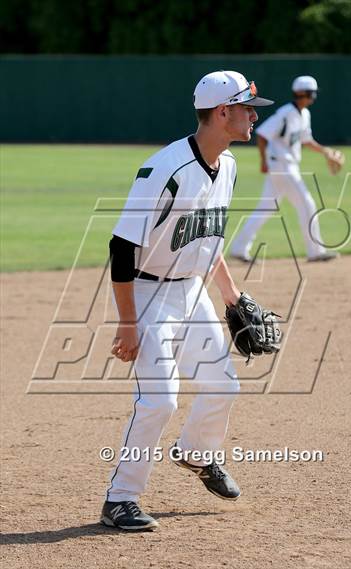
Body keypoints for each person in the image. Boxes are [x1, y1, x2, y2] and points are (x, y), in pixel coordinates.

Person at [100, 71, 274, 531]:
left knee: (224, 386)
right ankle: (120, 499)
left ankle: (197, 454)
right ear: (222, 113)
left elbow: (208, 242)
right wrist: (128, 323)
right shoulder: (166, 169)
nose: (253, 116)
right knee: (160, 402)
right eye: (246, 108)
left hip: (191, 290)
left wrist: (232, 297)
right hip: (148, 292)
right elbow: (121, 247)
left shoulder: (230, 166)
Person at [230, 75, 339, 263]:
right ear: (304, 93)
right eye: (312, 93)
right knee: (307, 204)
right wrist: (263, 160)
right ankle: (316, 251)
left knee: (266, 208)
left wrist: (325, 151)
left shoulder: (304, 114)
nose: (314, 97)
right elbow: (263, 134)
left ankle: (239, 248)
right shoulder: (286, 112)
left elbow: (306, 140)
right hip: (281, 164)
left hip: (285, 164)